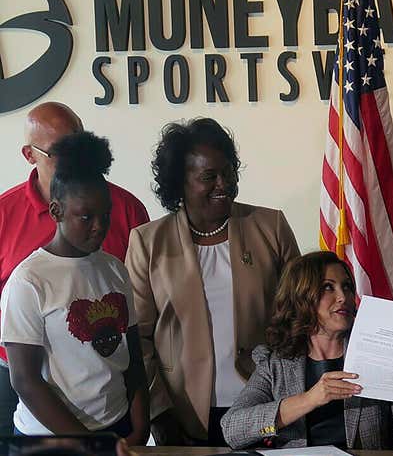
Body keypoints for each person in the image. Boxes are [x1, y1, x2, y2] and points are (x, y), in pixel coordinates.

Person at [125, 118, 300, 446]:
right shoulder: (148, 243)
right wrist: (159, 415)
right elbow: (138, 342)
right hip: (182, 416)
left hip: (264, 408)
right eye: (209, 176)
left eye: (229, 172)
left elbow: (301, 315)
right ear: (180, 182)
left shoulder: (270, 227)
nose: (224, 184)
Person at [0, 102, 149, 436]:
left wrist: (139, 426)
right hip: (39, 411)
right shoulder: (28, 277)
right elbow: (25, 379)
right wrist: (87, 445)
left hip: (112, 413)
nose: (100, 227)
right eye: (86, 217)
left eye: (105, 215)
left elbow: (133, 355)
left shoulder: (115, 260)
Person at [221, 251, 393, 450]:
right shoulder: (275, 363)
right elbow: (232, 430)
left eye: (347, 287)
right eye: (328, 287)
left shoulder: (380, 355)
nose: (343, 297)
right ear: (301, 297)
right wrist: (310, 398)